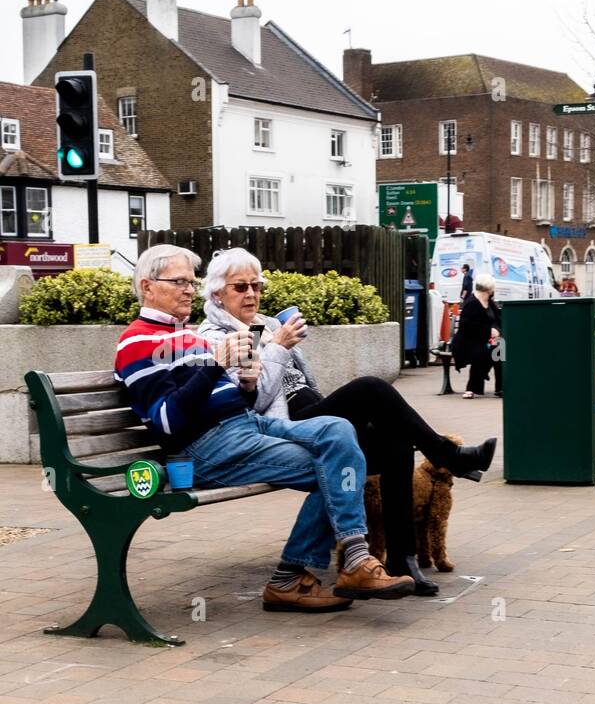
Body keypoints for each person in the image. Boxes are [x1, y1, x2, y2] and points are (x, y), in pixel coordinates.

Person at [116, 246, 415, 612]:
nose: (188, 290)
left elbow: (229, 401)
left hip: (243, 425)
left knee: (338, 431)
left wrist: (246, 385)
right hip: (205, 447)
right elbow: (167, 422)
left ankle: (332, 566)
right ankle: (312, 573)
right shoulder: (138, 342)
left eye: (191, 283)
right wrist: (214, 366)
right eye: (179, 282)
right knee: (336, 467)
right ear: (148, 287)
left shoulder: (185, 335)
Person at [196, 249, 497, 598]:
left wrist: (280, 342)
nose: (251, 293)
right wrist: (277, 347)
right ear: (218, 294)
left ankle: (403, 558)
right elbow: (255, 401)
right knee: (370, 387)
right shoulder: (219, 337)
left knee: (394, 440)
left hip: (311, 413)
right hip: (283, 429)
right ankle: (449, 456)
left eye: (256, 285)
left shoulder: (264, 323)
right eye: (240, 287)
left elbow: (304, 382)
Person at [452, 273, 503, 399]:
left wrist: (496, 332)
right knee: (482, 352)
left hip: (486, 340)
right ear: (488, 290)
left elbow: (498, 321)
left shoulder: (490, 303)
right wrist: (489, 333)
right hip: (467, 342)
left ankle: (501, 387)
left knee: (500, 348)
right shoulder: (471, 304)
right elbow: (467, 328)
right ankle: (472, 388)